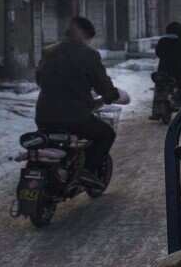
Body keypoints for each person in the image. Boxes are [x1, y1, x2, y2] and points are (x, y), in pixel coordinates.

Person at [35, 16, 130, 182]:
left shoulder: (49, 51)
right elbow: (103, 86)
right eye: (88, 39)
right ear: (84, 35)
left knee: (48, 140)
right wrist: (112, 95)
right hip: (75, 117)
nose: (88, 42)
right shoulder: (88, 55)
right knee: (106, 134)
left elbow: (39, 79)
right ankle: (86, 172)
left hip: (44, 115)